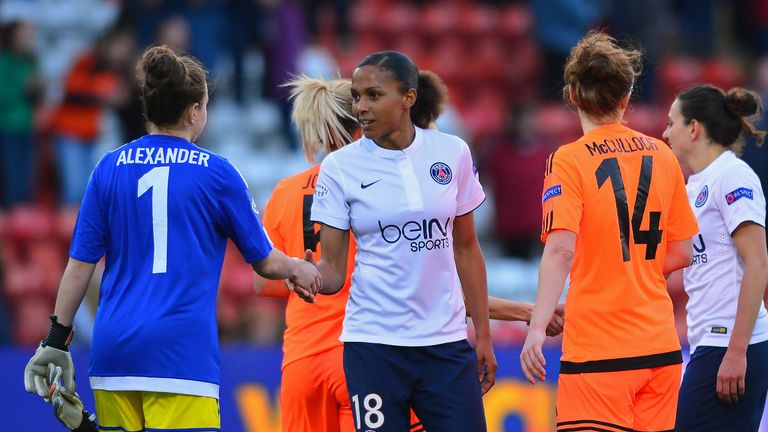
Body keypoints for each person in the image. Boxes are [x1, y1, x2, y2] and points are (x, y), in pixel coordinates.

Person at [23, 45, 321, 431]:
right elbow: (265, 261)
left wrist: (54, 339)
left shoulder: (108, 168)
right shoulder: (217, 173)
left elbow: (80, 265)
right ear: (195, 111)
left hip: (115, 352)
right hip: (180, 354)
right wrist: (299, 268)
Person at [260, 73, 565, 432]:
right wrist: (525, 311)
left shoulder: (283, 191)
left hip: (302, 362)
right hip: (370, 355)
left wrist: (306, 278)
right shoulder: (377, 194)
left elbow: (262, 283)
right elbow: (430, 286)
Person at [305, 50, 494, 432]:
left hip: (445, 343)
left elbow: (467, 248)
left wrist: (484, 337)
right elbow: (334, 272)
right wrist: (306, 275)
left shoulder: (452, 152)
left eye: (374, 95)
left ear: (408, 98)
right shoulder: (339, 168)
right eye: (357, 96)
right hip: (373, 345)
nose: (361, 107)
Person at [519, 31, 699, 432]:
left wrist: (536, 327)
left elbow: (561, 250)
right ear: (625, 97)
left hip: (598, 353)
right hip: (660, 349)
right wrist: (634, 270)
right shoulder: (663, 155)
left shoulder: (568, 160)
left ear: (572, 94)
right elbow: (684, 250)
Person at [663, 85, 768, 431]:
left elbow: (758, 263)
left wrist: (737, 351)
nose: (665, 133)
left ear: (693, 128)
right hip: (709, 342)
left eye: (671, 123)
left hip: (733, 344)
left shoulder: (733, 175)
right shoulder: (693, 186)